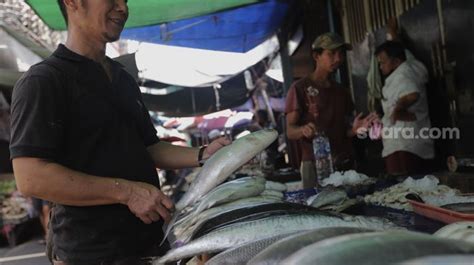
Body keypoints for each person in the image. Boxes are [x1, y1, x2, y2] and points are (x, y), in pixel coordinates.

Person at [9, 1, 229, 264]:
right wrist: (127, 192)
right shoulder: (44, 81)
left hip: (148, 244)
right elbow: (31, 177)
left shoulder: (122, 78)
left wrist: (203, 154)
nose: (123, 7)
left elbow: (149, 148)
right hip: (90, 254)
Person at [285, 32, 377, 188]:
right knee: (318, 209)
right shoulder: (299, 88)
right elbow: (290, 131)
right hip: (315, 164)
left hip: (343, 164)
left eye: (340, 53)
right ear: (316, 56)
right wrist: (303, 130)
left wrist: (355, 129)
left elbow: (345, 130)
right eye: (331, 53)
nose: (338, 58)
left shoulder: (341, 91)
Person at [375, 41, 434, 175]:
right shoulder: (411, 66)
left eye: (383, 62)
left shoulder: (402, 74)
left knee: (404, 190)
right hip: (411, 142)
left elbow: (412, 95)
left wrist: (398, 110)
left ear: (396, 61)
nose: (380, 66)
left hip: (403, 145)